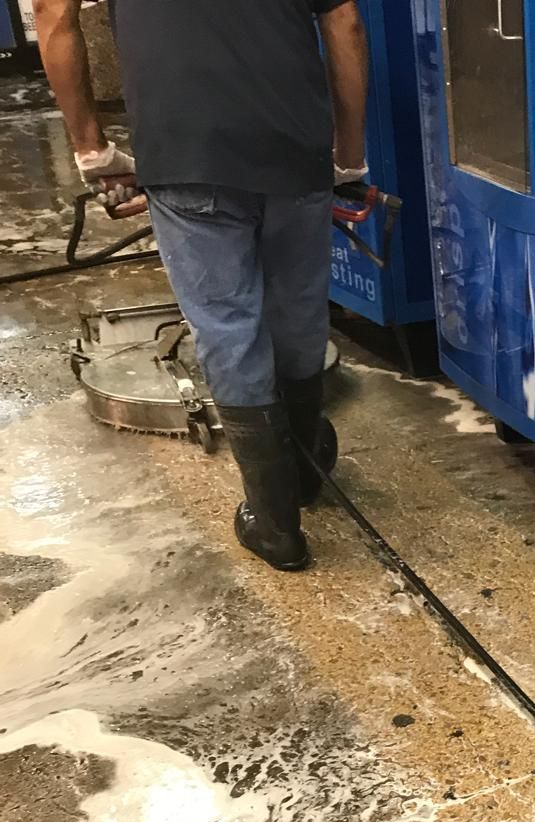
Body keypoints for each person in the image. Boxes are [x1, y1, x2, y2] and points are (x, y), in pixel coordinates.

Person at [32, 0, 370, 572]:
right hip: (293, 143)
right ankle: (305, 467)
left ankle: (276, 523)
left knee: (225, 323)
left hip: (183, 146)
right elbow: (345, 23)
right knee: (298, 308)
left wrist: (92, 148)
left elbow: (52, 14)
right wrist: (351, 157)